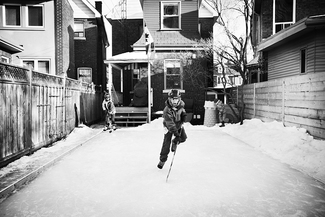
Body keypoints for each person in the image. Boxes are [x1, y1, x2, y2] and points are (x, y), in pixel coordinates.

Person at [157, 89, 187, 169]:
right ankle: (162, 160)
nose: (174, 101)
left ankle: (174, 142)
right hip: (168, 127)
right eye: (172, 99)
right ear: (169, 99)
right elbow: (169, 123)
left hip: (177, 125)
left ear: (179, 99)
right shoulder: (167, 110)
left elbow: (181, 113)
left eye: (176, 99)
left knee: (183, 138)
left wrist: (183, 116)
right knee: (166, 143)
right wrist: (176, 133)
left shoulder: (181, 106)